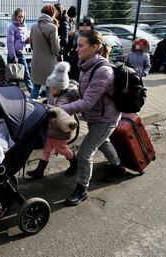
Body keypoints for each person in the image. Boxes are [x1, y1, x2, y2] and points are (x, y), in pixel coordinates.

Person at [60, 30, 126, 206]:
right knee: (103, 142)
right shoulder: (86, 65)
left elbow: (87, 102)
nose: (76, 49)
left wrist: (59, 109)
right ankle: (118, 167)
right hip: (95, 116)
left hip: (106, 119)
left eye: (81, 45)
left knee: (84, 154)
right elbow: (83, 93)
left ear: (94, 47)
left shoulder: (102, 71)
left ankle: (81, 189)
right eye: (77, 44)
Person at [27, 62, 79, 179]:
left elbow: (57, 112)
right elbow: (50, 105)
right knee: (46, 148)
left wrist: (46, 110)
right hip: (53, 129)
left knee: (63, 149)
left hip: (60, 130)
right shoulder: (54, 95)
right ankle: (39, 171)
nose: (48, 89)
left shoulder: (64, 101)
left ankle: (75, 164)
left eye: (50, 87)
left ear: (58, 88)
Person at [29, 5, 60, 100]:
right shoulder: (53, 28)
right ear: (52, 14)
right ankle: (48, 111)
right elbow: (55, 50)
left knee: (36, 88)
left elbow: (32, 46)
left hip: (36, 63)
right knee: (48, 89)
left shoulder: (34, 27)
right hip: (48, 64)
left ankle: (29, 108)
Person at [6, 8, 33, 93]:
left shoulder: (24, 27)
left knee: (26, 74)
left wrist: (29, 40)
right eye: (19, 17)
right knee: (13, 77)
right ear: (15, 17)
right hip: (14, 55)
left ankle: (32, 93)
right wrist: (13, 56)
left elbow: (24, 40)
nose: (21, 19)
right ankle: (12, 93)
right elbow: (10, 43)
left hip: (21, 53)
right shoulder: (12, 27)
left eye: (22, 17)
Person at [65, 16, 95, 81]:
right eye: (83, 25)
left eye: (87, 26)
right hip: (74, 63)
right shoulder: (76, 35)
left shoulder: (93, 38)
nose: (85, 28)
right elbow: (66, 49)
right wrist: (68, 60)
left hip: (86, 64)